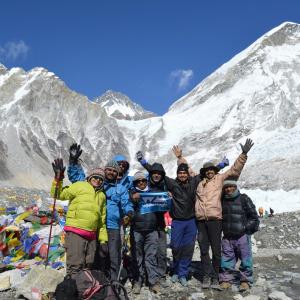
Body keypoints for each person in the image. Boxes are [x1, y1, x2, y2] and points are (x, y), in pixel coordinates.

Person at [176, 138, 254, 290]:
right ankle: (206, 275)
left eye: (212, 169)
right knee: (204, 250)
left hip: (215, 221)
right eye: (207, 170)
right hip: (201, 221)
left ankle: (216, 275)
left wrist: (243, 154)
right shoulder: (197, 181)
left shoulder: (220, 179)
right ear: (204, 172)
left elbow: (234, 170)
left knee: (217, 250)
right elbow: (188, 169)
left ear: (215, 170)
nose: (210, 171)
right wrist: (179, 158)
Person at [67, 144, 134, 281]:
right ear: (105, 171)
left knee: (113, 255)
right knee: (95, 255)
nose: (111, 172)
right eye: (108, 170)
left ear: (117, 174)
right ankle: (96, 280)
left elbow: (126, 202)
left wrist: (129, 212)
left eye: (114, 171)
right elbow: (78, 179)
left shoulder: (120, 188)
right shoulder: (97, 183)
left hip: (113, 227)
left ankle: (113, 281)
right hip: (95, 226)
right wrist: (73, 162)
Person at [51, 158, 107, 276]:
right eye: (95, 177)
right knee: (75, 265)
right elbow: (58, 194)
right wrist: (58, 178)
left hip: (91, 235)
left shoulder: (102, 196)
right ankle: (71, 291)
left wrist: (103, 240)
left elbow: (102, 221)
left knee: (88, 265)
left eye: (101, 179)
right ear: (90, 177)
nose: (98, 180)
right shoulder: (79, 186)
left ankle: (84, 291)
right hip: (76, 231)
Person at [219, 177, 259, 291]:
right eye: (226, 187)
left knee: (246, 259)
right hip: (227, 236)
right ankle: (226, 280)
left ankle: (245, 281)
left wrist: (246, 229)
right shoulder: (222, 200)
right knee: (226, 259)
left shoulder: (244, 198)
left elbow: (254, 217)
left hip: (242, 235)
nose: (229, 189)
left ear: (235, 187)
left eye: (231, 186)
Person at [130, 171, 161, 294]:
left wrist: (167, 197)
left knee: (151, 256)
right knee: (137, 257)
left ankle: (152, 281)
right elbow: (127, 206)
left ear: (146, 181)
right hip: (137, 230)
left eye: (143, 180)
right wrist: (133, 199)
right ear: (135, 183)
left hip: (152, 230)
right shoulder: (131, 194)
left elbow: (163, 207)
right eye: (138, 181)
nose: (141, 183)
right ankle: (138, 280)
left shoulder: (154, 193)